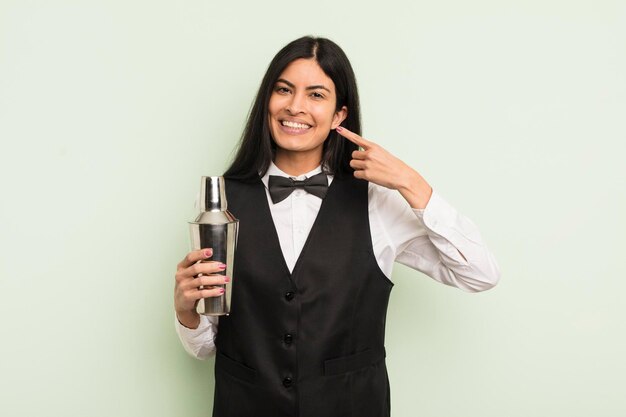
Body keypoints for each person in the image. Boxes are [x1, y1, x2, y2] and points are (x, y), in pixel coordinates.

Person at [174, 36, 500, 417]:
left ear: (339, 115)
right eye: (283, 90)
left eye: (316, 95)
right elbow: (205, 346)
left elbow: (481, 274)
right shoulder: (219, 200)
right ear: (267, 101)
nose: (295, 107)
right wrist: (185, 311)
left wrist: (413, 184)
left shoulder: (377, 200)